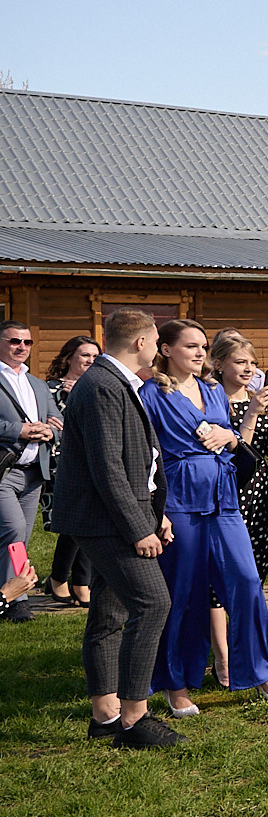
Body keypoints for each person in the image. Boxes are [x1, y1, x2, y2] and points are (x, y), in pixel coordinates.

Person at [138, 320, 268, 711]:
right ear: (167, 350)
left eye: (203, 346)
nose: (200, 352)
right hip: (181, 498)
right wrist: (154, 510)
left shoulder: (212, 390)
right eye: (191, 346)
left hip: (224, 497)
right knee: (183, 592)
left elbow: (235, 439)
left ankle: (258, 672)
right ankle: (177, 683)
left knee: (246, 581)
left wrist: (231, 437)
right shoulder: (150, 393)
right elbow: (144, 455)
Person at [60, 310, 185, 746]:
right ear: (140, 342)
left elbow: (137, 463)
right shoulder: (101, 387)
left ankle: (104, 715)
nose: (156, 349)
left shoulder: (114, 383)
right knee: (152, 604)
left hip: (119, 514)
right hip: (106, 520)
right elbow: (107, 468)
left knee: (111, 613)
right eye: (154, 341)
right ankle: (134, 717)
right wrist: (138, 529)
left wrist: (156, 514)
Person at [213, 334, 268, 584]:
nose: (249, 369)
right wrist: (253, 413)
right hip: (233, 488)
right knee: (227, 569)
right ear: (219, 364)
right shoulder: (212, 400)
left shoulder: (255, 397)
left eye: (252, 363)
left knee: (257, 567)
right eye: (240, 362)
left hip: (261, 491)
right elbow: (237, 451)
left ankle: (247, 621)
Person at [0, 323, 60, 602]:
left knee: (21, 534)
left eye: (27, 342)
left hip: (35, 471)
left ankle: (15, 591)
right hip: (5, 470)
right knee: (13, 528)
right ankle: (15, 599)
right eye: (14, 341)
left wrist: (50, 432)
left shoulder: (36, 383)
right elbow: (15, 427)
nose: (21, 347)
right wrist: (19, 430)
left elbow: (58, 422)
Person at [40, 334, 99, 609]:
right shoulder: (49, 389)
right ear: (69, 358)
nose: (90, 360)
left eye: (95, 356)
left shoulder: (99, 387)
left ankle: (79, 581)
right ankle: (62, 578)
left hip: (94, 460)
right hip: (61, 463)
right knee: (74, 521)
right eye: (85, 355)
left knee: (91, 519)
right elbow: (49, 425)